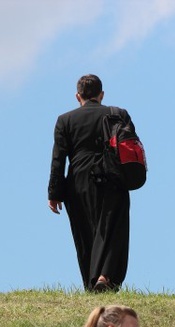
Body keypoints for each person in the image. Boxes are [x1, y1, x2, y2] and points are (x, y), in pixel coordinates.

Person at [47, 74, 136, 292]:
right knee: (113, 229)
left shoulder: (65, 120)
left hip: (78, 182)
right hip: (112, 176)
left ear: (78, 96)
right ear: (101, 94)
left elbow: (58, 158)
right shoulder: (118, 114)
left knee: (85, 232)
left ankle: (92, 282)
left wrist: (54, 192)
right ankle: (105, 277)